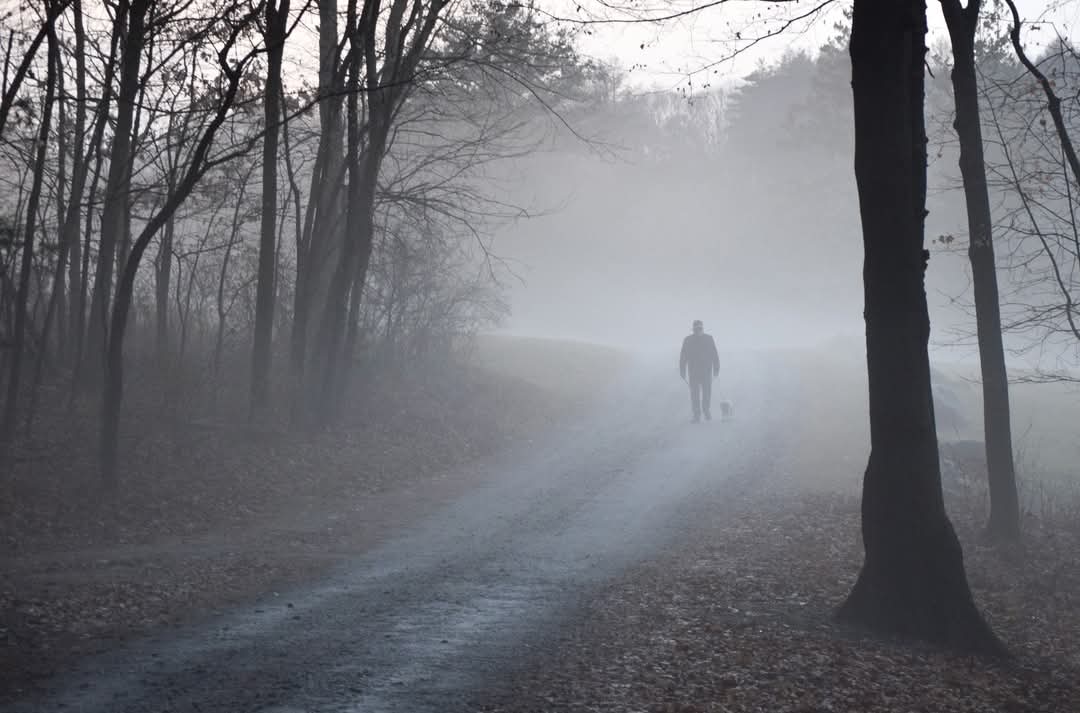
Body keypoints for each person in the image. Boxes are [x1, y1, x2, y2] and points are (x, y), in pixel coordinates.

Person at [679, 319, 720, 423]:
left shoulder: (709, 339)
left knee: (707, 392)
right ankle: (697, 414)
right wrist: (682, 370)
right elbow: (683, 356)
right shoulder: (687, 340)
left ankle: (706, 410)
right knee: (694, 394)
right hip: (693, 372)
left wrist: (716, 368)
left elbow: (714, 354)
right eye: (696, 329)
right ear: (693, 329)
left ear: (702, 328)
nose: (698, 330)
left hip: (706, 371)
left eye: (699, 328)